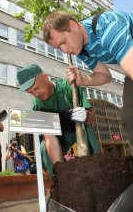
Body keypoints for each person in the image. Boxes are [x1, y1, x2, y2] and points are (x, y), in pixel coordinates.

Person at [43, 10, 133, 150]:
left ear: (73, 26)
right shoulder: (82, 49)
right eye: (59, 48)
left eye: (64, 42)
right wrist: (83, 80)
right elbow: (105, 76)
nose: (65, 50)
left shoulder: (106, 27)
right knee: (130, 119)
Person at [17, 64, 100, 176]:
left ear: (45, 77)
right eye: (31, 92)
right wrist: (62, 173)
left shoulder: (70, 86)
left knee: (86, 128)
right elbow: (50, 139)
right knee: (43, 148)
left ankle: (96, 170)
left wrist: (85, 115)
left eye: (36, 88)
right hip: (59, 138)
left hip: (78, 130)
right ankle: (59, 182)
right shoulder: (36, 107)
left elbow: (92, 119)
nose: (36, 94)